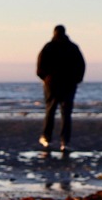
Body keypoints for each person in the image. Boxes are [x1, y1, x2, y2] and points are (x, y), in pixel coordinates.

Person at [36, 25, 86, 155]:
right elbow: (81, 65)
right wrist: (77, 79)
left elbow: (40, 65)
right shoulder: (72, 47)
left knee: (50, 111)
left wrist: (45, 78)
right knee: (66, 113)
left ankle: (47, 138)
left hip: (52, 84)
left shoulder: (49, 47)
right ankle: (65, 142)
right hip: (68, 84)